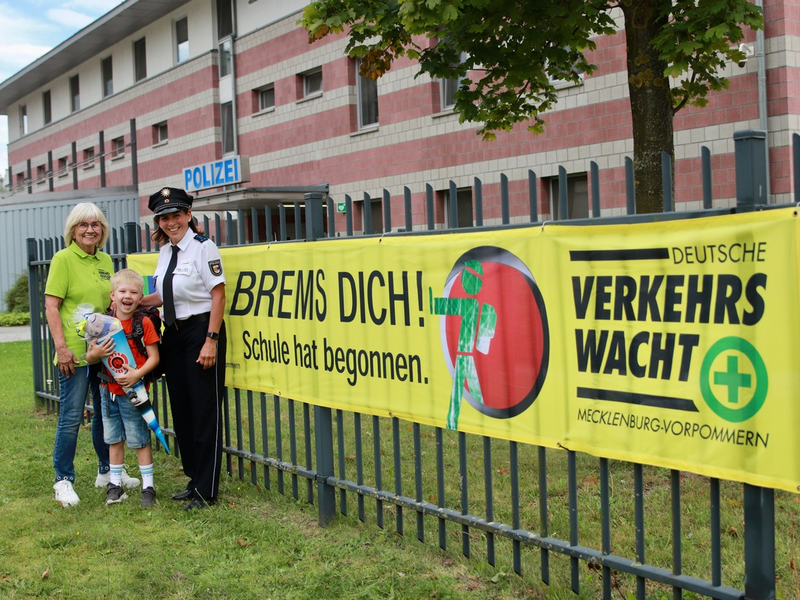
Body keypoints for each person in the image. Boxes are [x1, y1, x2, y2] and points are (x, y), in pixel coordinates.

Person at [45, 202, 139, 508]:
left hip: (105, 353)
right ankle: (63, 480)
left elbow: (113, 303)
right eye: (83, 225)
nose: (90, 229)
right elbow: (51, 306)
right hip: (75, 355)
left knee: (104, 414)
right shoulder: (63, 259)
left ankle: (106, 471)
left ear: (103, 230)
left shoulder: (105, 261)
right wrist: (62, 348)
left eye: (96, 224)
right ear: (73, 230)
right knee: (71, 417)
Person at [142, 187, 227, 510]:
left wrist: (211, 340)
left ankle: (207, 488)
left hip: (200, 331)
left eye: (176, 215)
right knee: (182, 410)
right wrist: (136, 302)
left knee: (204, 411)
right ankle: (193, 480)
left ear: (189, 216)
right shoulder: (166, 252)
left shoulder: (204, 248)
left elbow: (218, 295)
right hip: (173, 334)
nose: (171, 222)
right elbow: (164, 296)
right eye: (164, 217)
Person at [85, 269, 160, 507]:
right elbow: (90, 357)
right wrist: (94, 353)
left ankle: (148, 488)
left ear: (140, 298)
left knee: (139, 440)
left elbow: (154, 357)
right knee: (114, 439)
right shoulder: (101, 324)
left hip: (135, 392)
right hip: (109, 393)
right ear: (113, 295)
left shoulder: (144, 322)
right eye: (122, 291)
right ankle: (114, 486)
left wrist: (137, 374)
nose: (127, 296)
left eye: (133, 292)